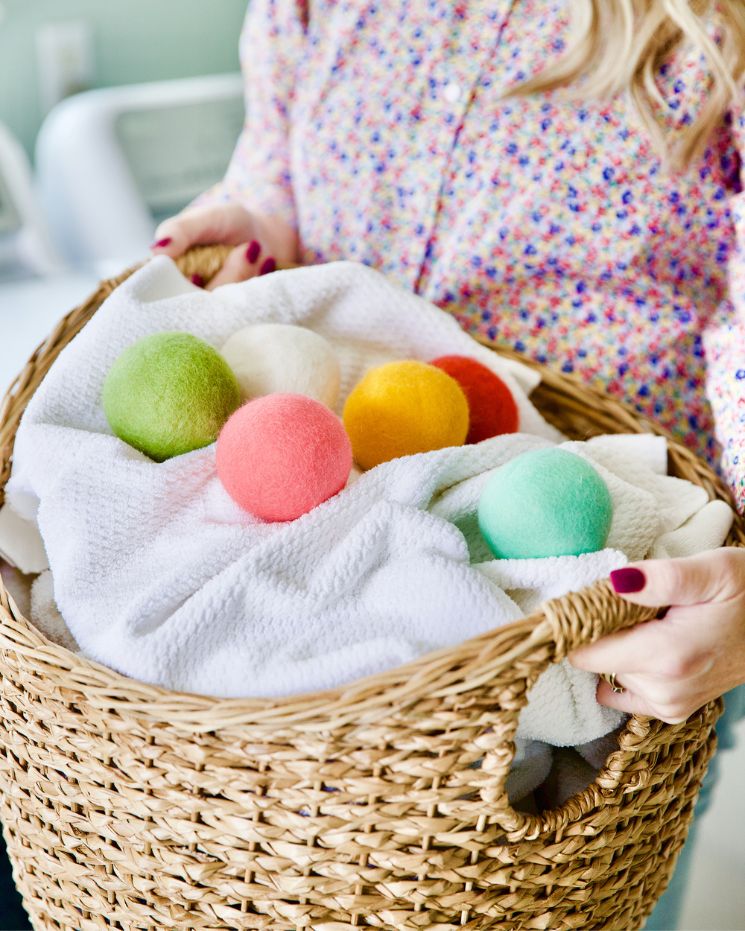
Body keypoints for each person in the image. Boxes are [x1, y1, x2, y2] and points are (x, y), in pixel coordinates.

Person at [152, 1, 745, 926]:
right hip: (331, 550)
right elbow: (276, 163)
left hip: (593, 604)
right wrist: (261, 219)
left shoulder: (711, 35)